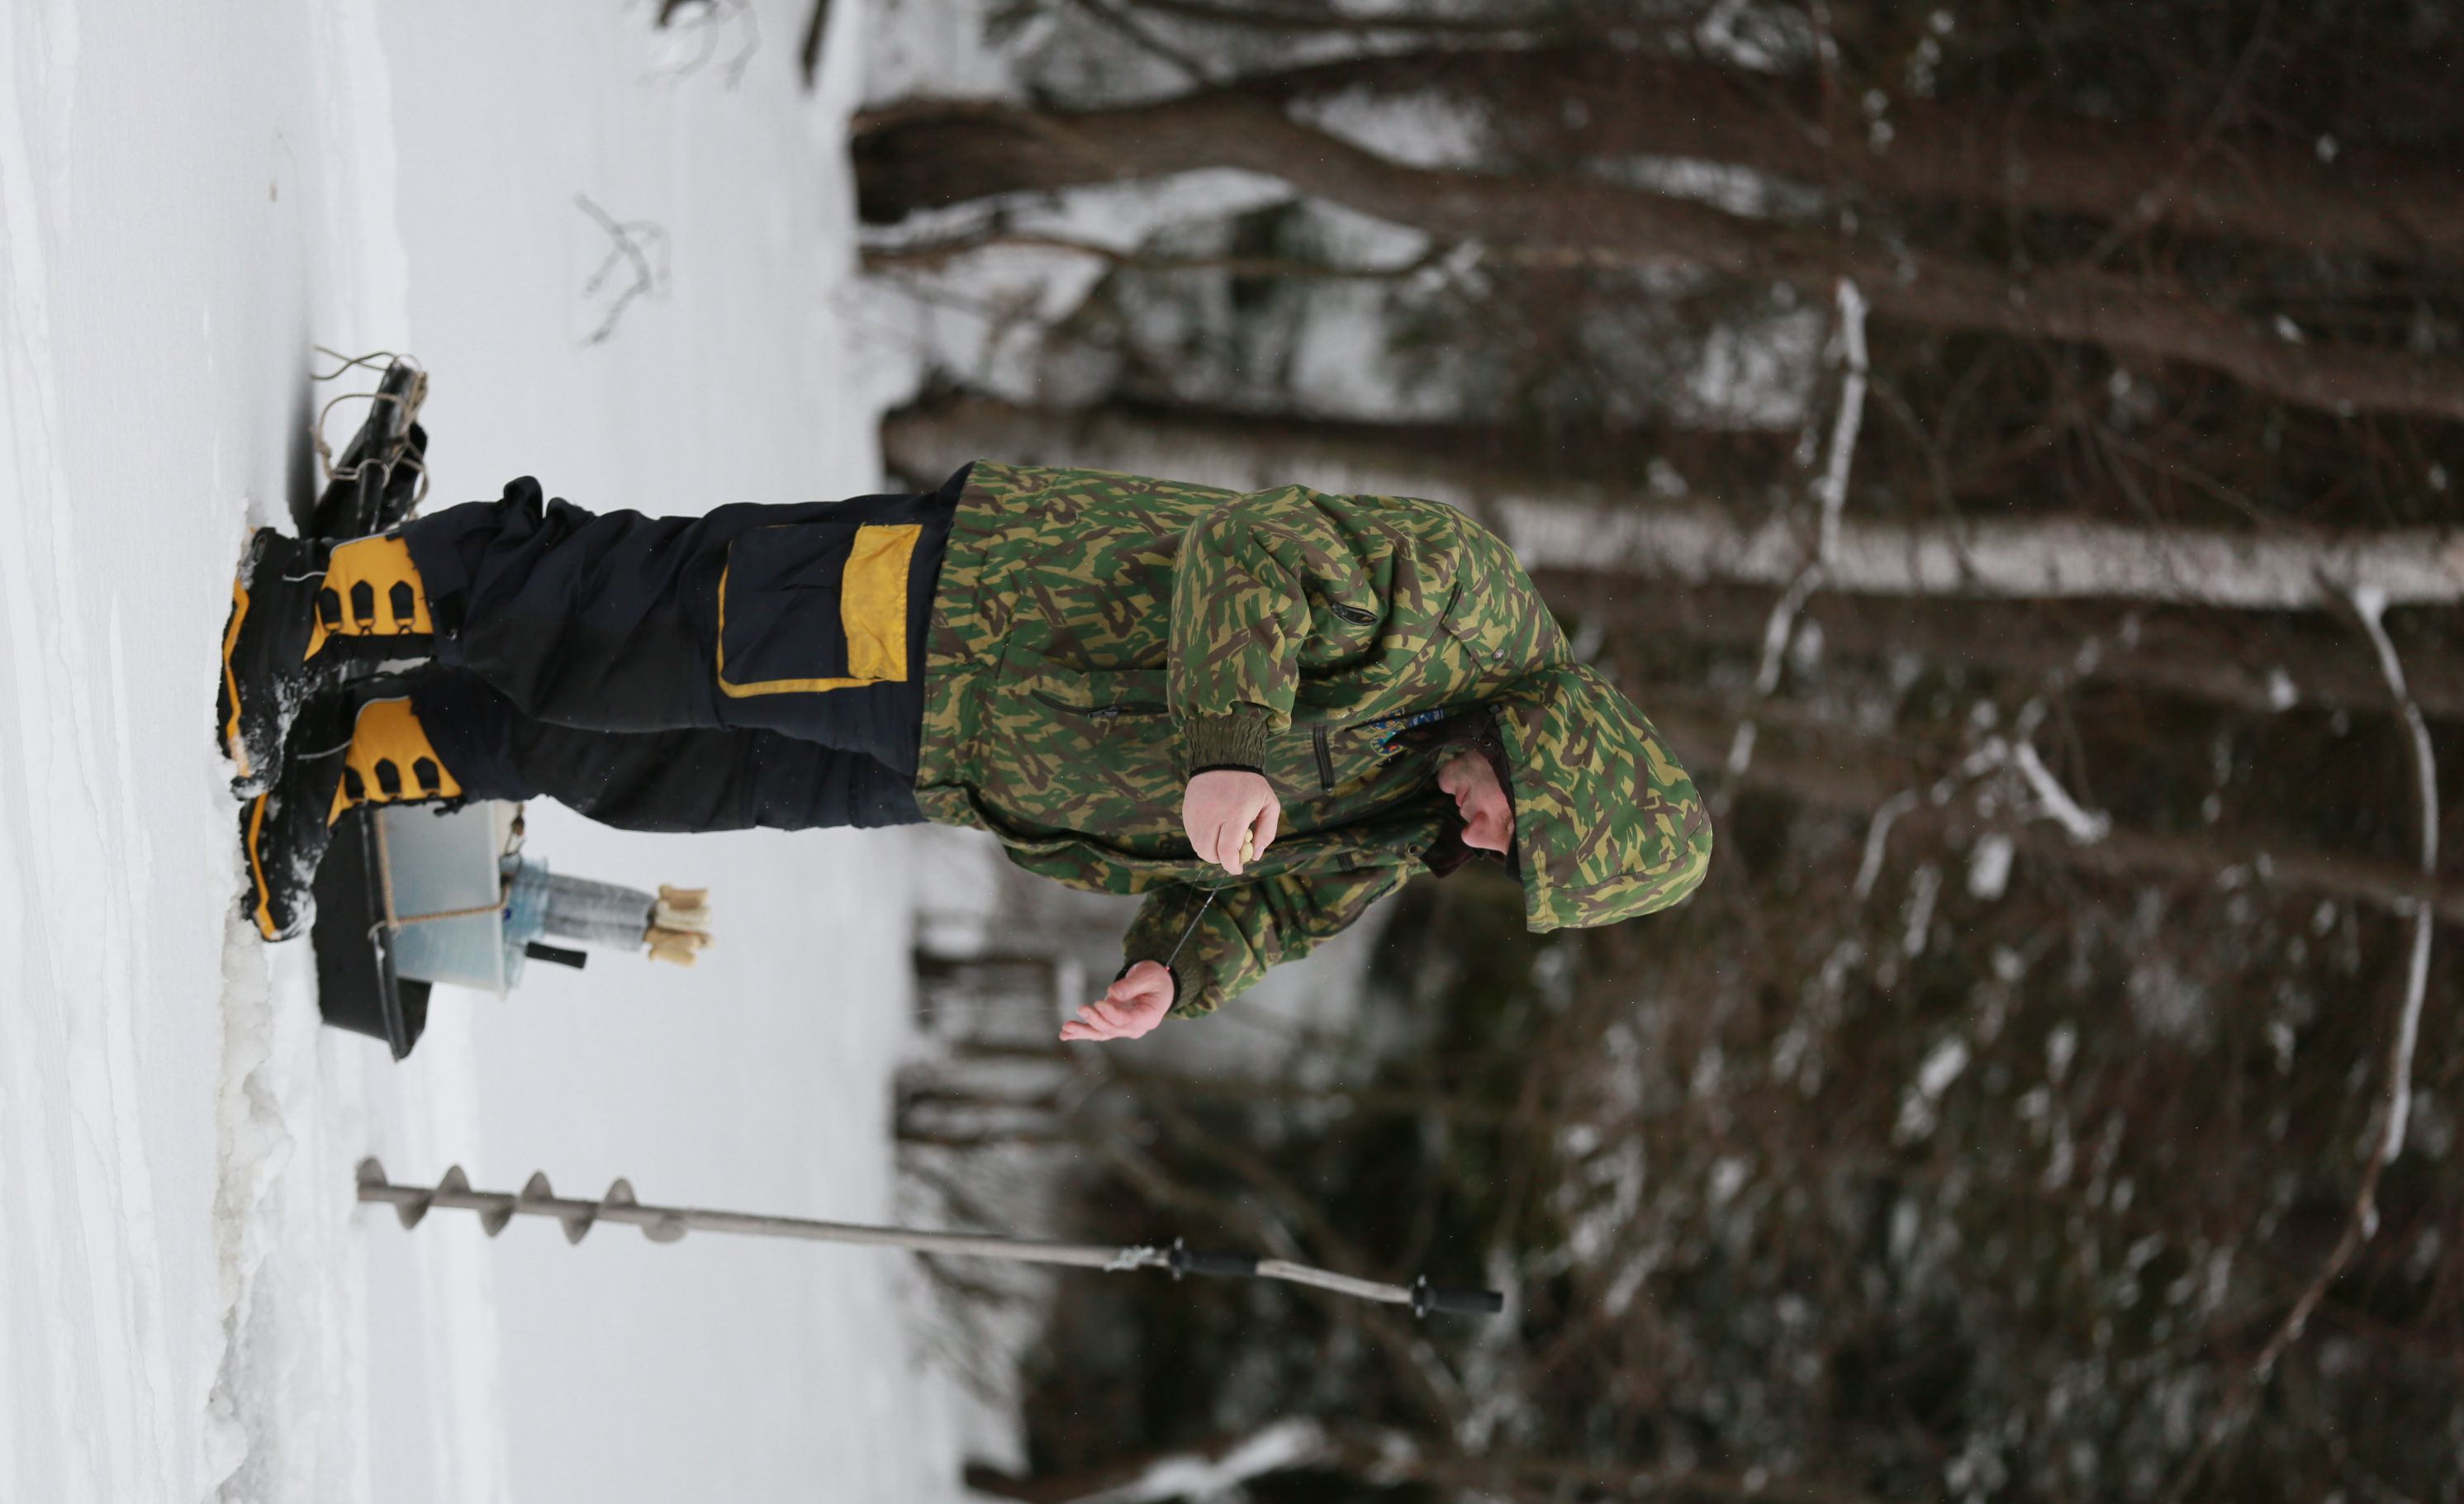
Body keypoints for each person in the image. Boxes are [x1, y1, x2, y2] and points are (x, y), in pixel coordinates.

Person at [221, 462, 1711, 1041]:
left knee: (662, 767)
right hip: (974, 612)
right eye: (1526, 831)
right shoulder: (1459, 603)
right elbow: (1257, 552)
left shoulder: (1406, 814)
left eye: (1512, 862)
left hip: (954, 767)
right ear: (1559, 756)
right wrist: (1233, 745)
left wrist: (1175, 969)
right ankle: (330, 595)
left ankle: (375, 744)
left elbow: (1276, 899)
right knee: (648, 625)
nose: (1489, 846)